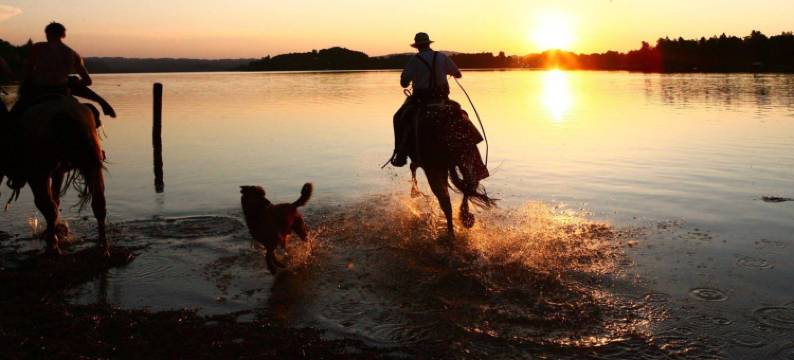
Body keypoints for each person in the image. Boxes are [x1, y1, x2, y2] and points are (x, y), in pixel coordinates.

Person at [390, 32, 462, 166]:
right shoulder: (442, 56)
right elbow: (458, 74)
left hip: (421, 100)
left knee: (399, 117)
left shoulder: (414, 60)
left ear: (417, 46)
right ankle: (469, 157)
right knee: (461, 115)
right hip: (442, 98)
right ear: (429, 44)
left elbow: (404, 83)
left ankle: (401, 154)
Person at [14, 22, 115, 117]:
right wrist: (76, 81)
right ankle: (102, 104)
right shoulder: (73, 54)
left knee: (14, 115)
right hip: (62, 90)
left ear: (47, 33)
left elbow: (27, 71)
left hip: (39, 90)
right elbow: (88, 81)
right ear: (63, 35)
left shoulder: (37, 48)